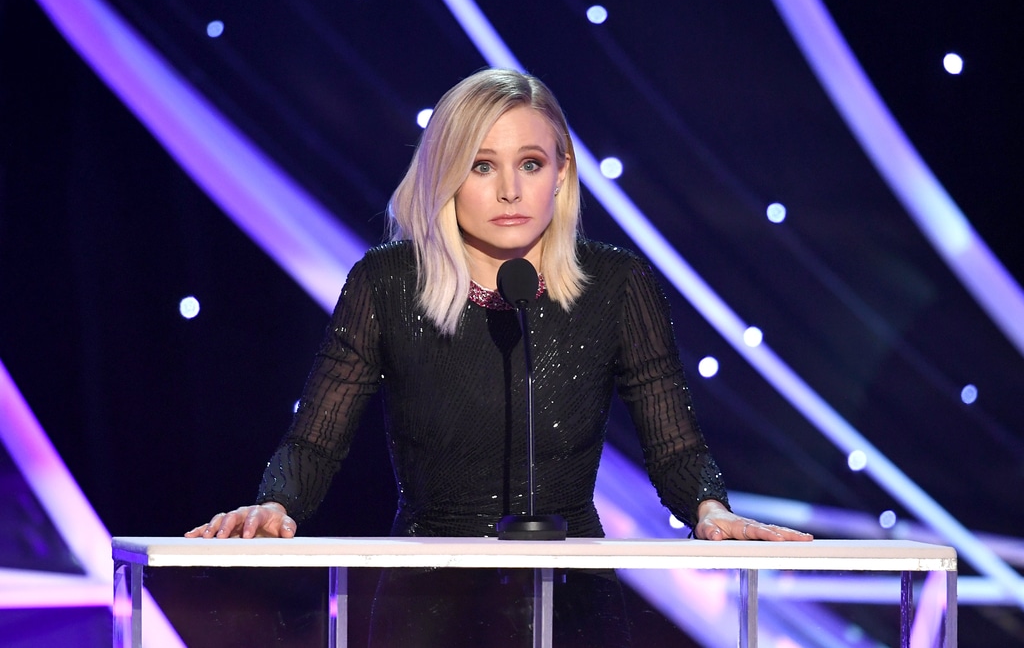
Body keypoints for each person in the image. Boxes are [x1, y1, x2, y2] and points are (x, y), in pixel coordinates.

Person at [187, 68, 812, 645]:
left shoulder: (617, 285)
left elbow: (673, 445)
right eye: (482, 166)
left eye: (530, 163)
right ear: (446, 174)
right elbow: (317, 441)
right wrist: (277, 503)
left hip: (571, 602)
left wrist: (709, 508)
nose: (510, 191)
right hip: (428, 603)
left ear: (562, 172)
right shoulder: (388, 283)